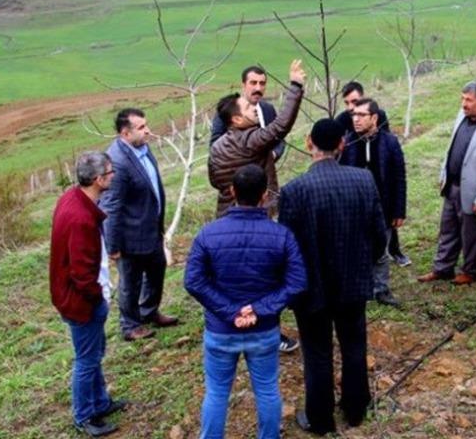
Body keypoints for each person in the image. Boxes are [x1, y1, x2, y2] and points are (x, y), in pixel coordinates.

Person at [278, 119, 387, 435]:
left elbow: (288, 247)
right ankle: (356, 410)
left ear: (309, 142)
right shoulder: (363, 180)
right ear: (342, 144)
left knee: (317, 353)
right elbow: (380, 237)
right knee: (354, 346)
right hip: (354, 282)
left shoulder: (294, 191)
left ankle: (320, 419)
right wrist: (362, 262)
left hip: (312, 288)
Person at [185, 164, 307, 439]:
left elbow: (194, 281)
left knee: (216, 392)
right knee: (266, 389)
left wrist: (229, 311)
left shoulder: (208, 234)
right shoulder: (282, 235)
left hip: (221, 330)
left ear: (231, 192)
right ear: (264, 195)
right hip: (263, 330)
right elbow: (296, 282)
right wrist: (260, 309)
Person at [208, 59, 306, 354]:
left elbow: (215, 181)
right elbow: (282, 126)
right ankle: (266, 333)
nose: (254, 109)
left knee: (230, 277)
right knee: (263, 277)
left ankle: (229, 327)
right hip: (254, 216)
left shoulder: (218, 146)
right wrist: (296, 87)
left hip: (226, 216)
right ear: (236, 120)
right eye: (248, 110)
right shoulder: (250, 139)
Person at [50, 152, 128, 436]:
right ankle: (84, 416)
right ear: (98, 179)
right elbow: (82, 274)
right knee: (86, 359)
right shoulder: (81, 218)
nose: (113, 175)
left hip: (78, 298)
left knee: (94, 354)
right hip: (81, 302)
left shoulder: (73, 198)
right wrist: (99, 297)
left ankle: (100, 402)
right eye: (110, 172)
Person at [418, 80, 476, 286]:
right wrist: (444, 175)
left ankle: (469, 271)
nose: (464, 104)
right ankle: (443, 268)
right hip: (453, 186)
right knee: (448, 229)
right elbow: (451, 149)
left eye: (469, 100)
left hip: (475, 192)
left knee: (470, 235)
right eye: (462, 99)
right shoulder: (461, 116)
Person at [101, 108, 177, 341]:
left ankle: (149, 312)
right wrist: (113, 246)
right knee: (130, 283)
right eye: (142, 127)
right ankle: (130, 325)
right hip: (130, 236)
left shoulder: (142, 148)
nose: (148, 131)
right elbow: (111, 206)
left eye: (146, 125)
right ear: (125, 133)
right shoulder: (117, 162)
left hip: (151, 229)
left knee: (157, 271)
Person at [338, 98, 407, 307]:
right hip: (354, 210)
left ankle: (381, 290)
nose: (356, 119)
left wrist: (399, 211)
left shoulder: (390, 142)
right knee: (356, 250)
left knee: (380, 251)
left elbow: (399, 178)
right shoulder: (348, 144)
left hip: (382, 209)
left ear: (374, 117)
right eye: (354, 115)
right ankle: (359, 289)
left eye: (361, 115)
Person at [334, 81, 409, 267]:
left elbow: (397, 172)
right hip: (357, 194)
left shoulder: (384, 129)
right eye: (348, 104)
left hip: (382, 192)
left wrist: (399, 209)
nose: (353, 112)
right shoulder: (344, 126)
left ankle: (392, 254)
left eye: (355, 103)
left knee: (385, 232)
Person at [209, 65, 287, 214]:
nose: (258, 88)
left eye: (262, 83)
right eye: (253, 83)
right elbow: (215, 146)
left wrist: (273, 154)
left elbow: (280, 139)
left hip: (266, 189)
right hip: (237, 193)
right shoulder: (228, 110)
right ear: (243, 84)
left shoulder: (267, 109)